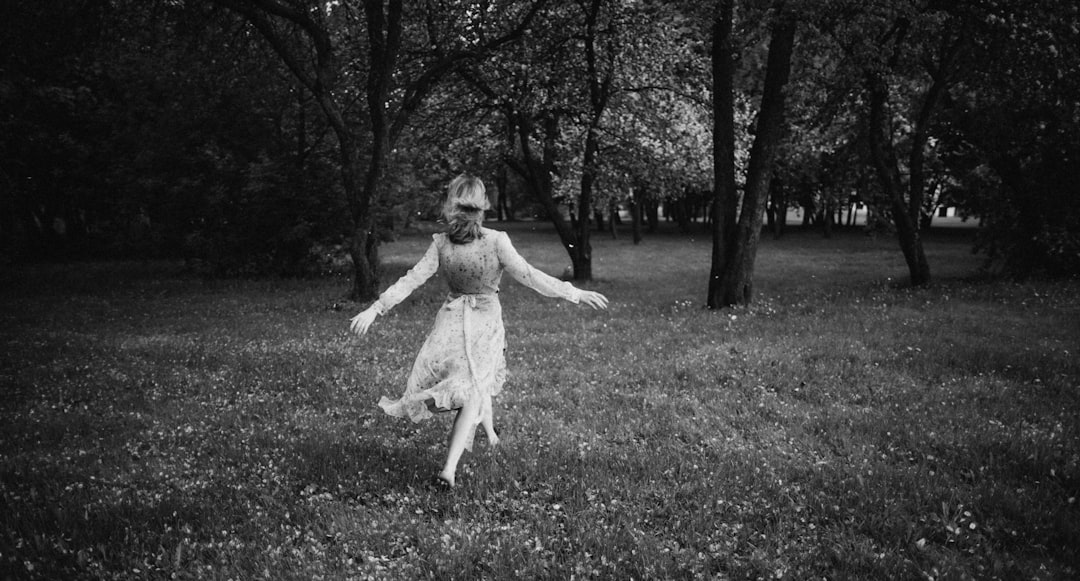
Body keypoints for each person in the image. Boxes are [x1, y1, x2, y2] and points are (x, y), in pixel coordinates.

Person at [350, 174, 608, 488]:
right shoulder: (481, 241)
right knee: (473, 385)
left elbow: (413, 280)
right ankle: (450, 469)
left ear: (451, 205)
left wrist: (573, 292)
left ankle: (472, 448)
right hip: (470, 324)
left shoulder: (453, 242)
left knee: (476, 380)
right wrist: (376, 307)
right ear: (481, 206)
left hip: (464, 324)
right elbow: (526, 275)